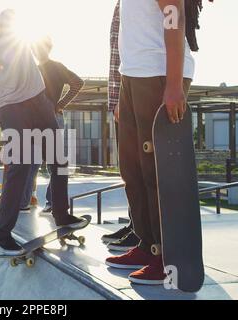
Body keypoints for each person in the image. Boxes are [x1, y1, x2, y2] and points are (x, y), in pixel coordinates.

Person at [0, 5, 87, 255]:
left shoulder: (4, 20)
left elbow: (17, 31)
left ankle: (62, 215)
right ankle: (2, 234)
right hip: (10, 106)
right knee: (19, 164)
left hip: (39, 98)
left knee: (59, 161)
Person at [105, 0, 209, 285]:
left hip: (159, 72)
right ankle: (147, 245)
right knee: (133, 169)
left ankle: (167, 257)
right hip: (134, 73)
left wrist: (174, 83)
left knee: (155, 172)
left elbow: (173, 12)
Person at [20, 37, 84, 214]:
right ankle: (37, 202)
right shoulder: (37, 69)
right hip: (43, 118)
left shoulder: (47, 68)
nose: (36, 52)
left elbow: (78, 83)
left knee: (39, 161)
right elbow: (78, 83)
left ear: (47, 49)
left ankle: (39, 202)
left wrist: (60, 104)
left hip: (46, 118)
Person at [100, 0, 140, 252]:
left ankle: (142, 231)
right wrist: (116, 99)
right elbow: (117, 52)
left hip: (135, 90)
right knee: (129, 171)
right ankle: (136, 223)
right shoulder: (121, 4)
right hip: (122, 96)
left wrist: (122, 98)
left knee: (139, 170)